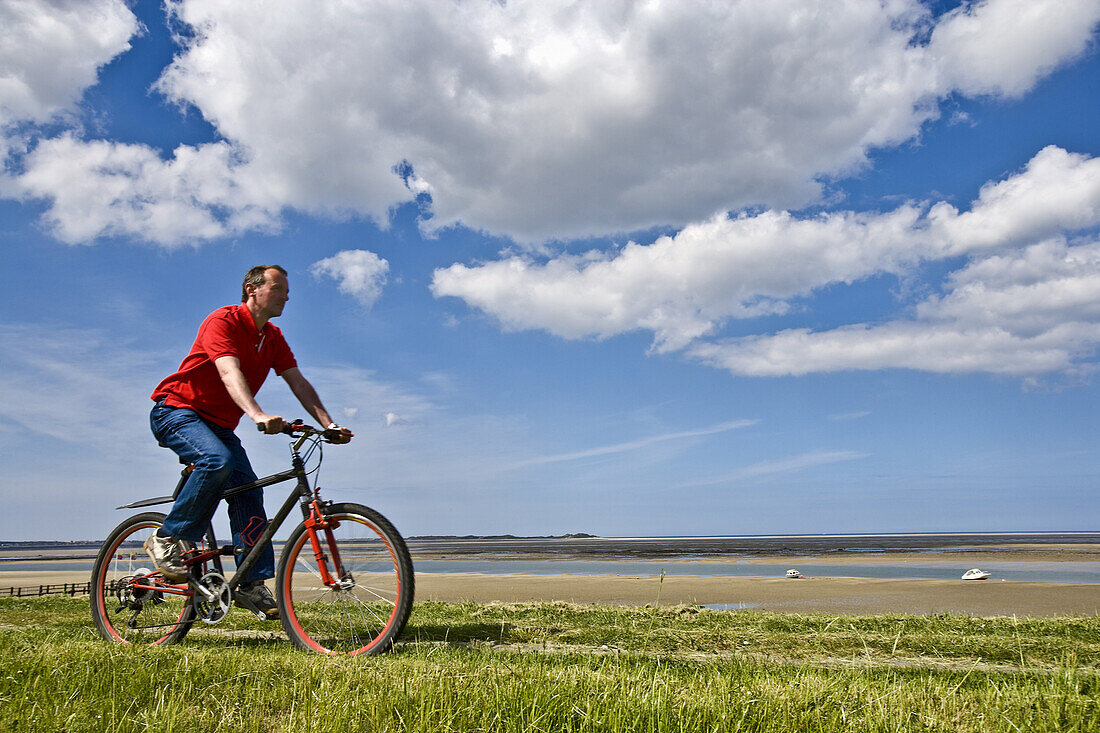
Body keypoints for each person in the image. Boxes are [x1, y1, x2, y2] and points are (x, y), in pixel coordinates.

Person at [146, 265, 352, 619]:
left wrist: (328, 423)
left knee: (249, 490)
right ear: (251, 289)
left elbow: (298, 382)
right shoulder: (223, 321)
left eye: (287, 290)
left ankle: (251, 583)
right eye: (278, 288)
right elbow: (229, 371)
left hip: (219, 425)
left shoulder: (272, 337)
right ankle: (168, 537)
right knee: (217, 461)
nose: (287, 295)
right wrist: (257, 415)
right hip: (177, 411)